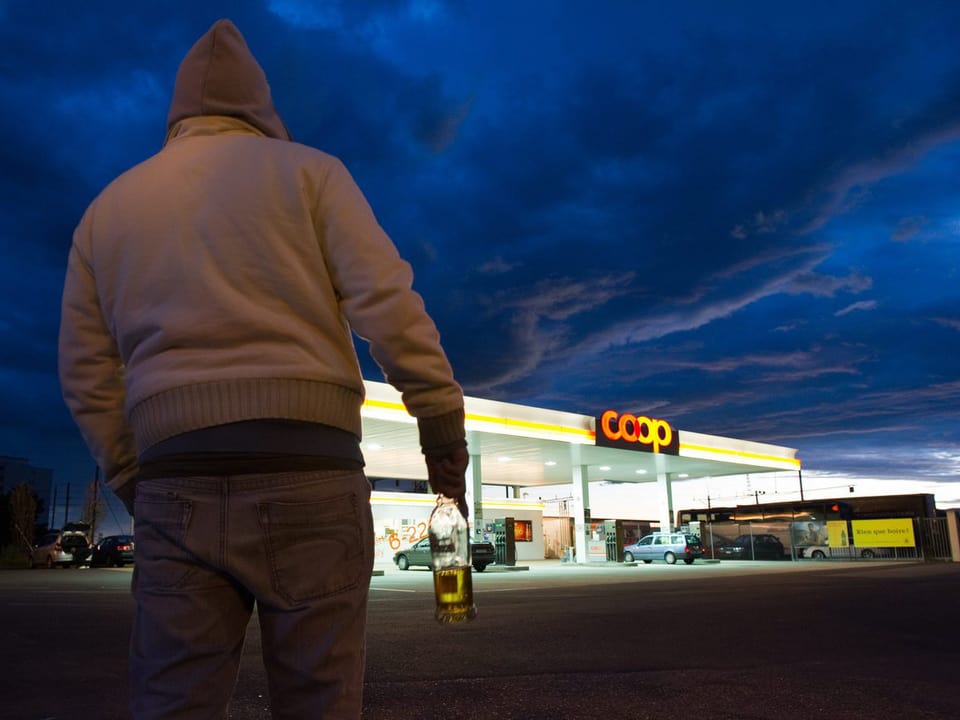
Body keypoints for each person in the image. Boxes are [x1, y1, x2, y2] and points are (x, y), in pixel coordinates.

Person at [58, 18, 468, 720]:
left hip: (175, 483)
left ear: (178, 110)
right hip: (310, 474)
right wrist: (441, 432)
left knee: (172, 702)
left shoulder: (107, 212)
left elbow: (85, 368)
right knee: (320, 701)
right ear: (261, 105)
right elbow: (387, 305)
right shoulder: (312, 175)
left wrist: (130, 473)